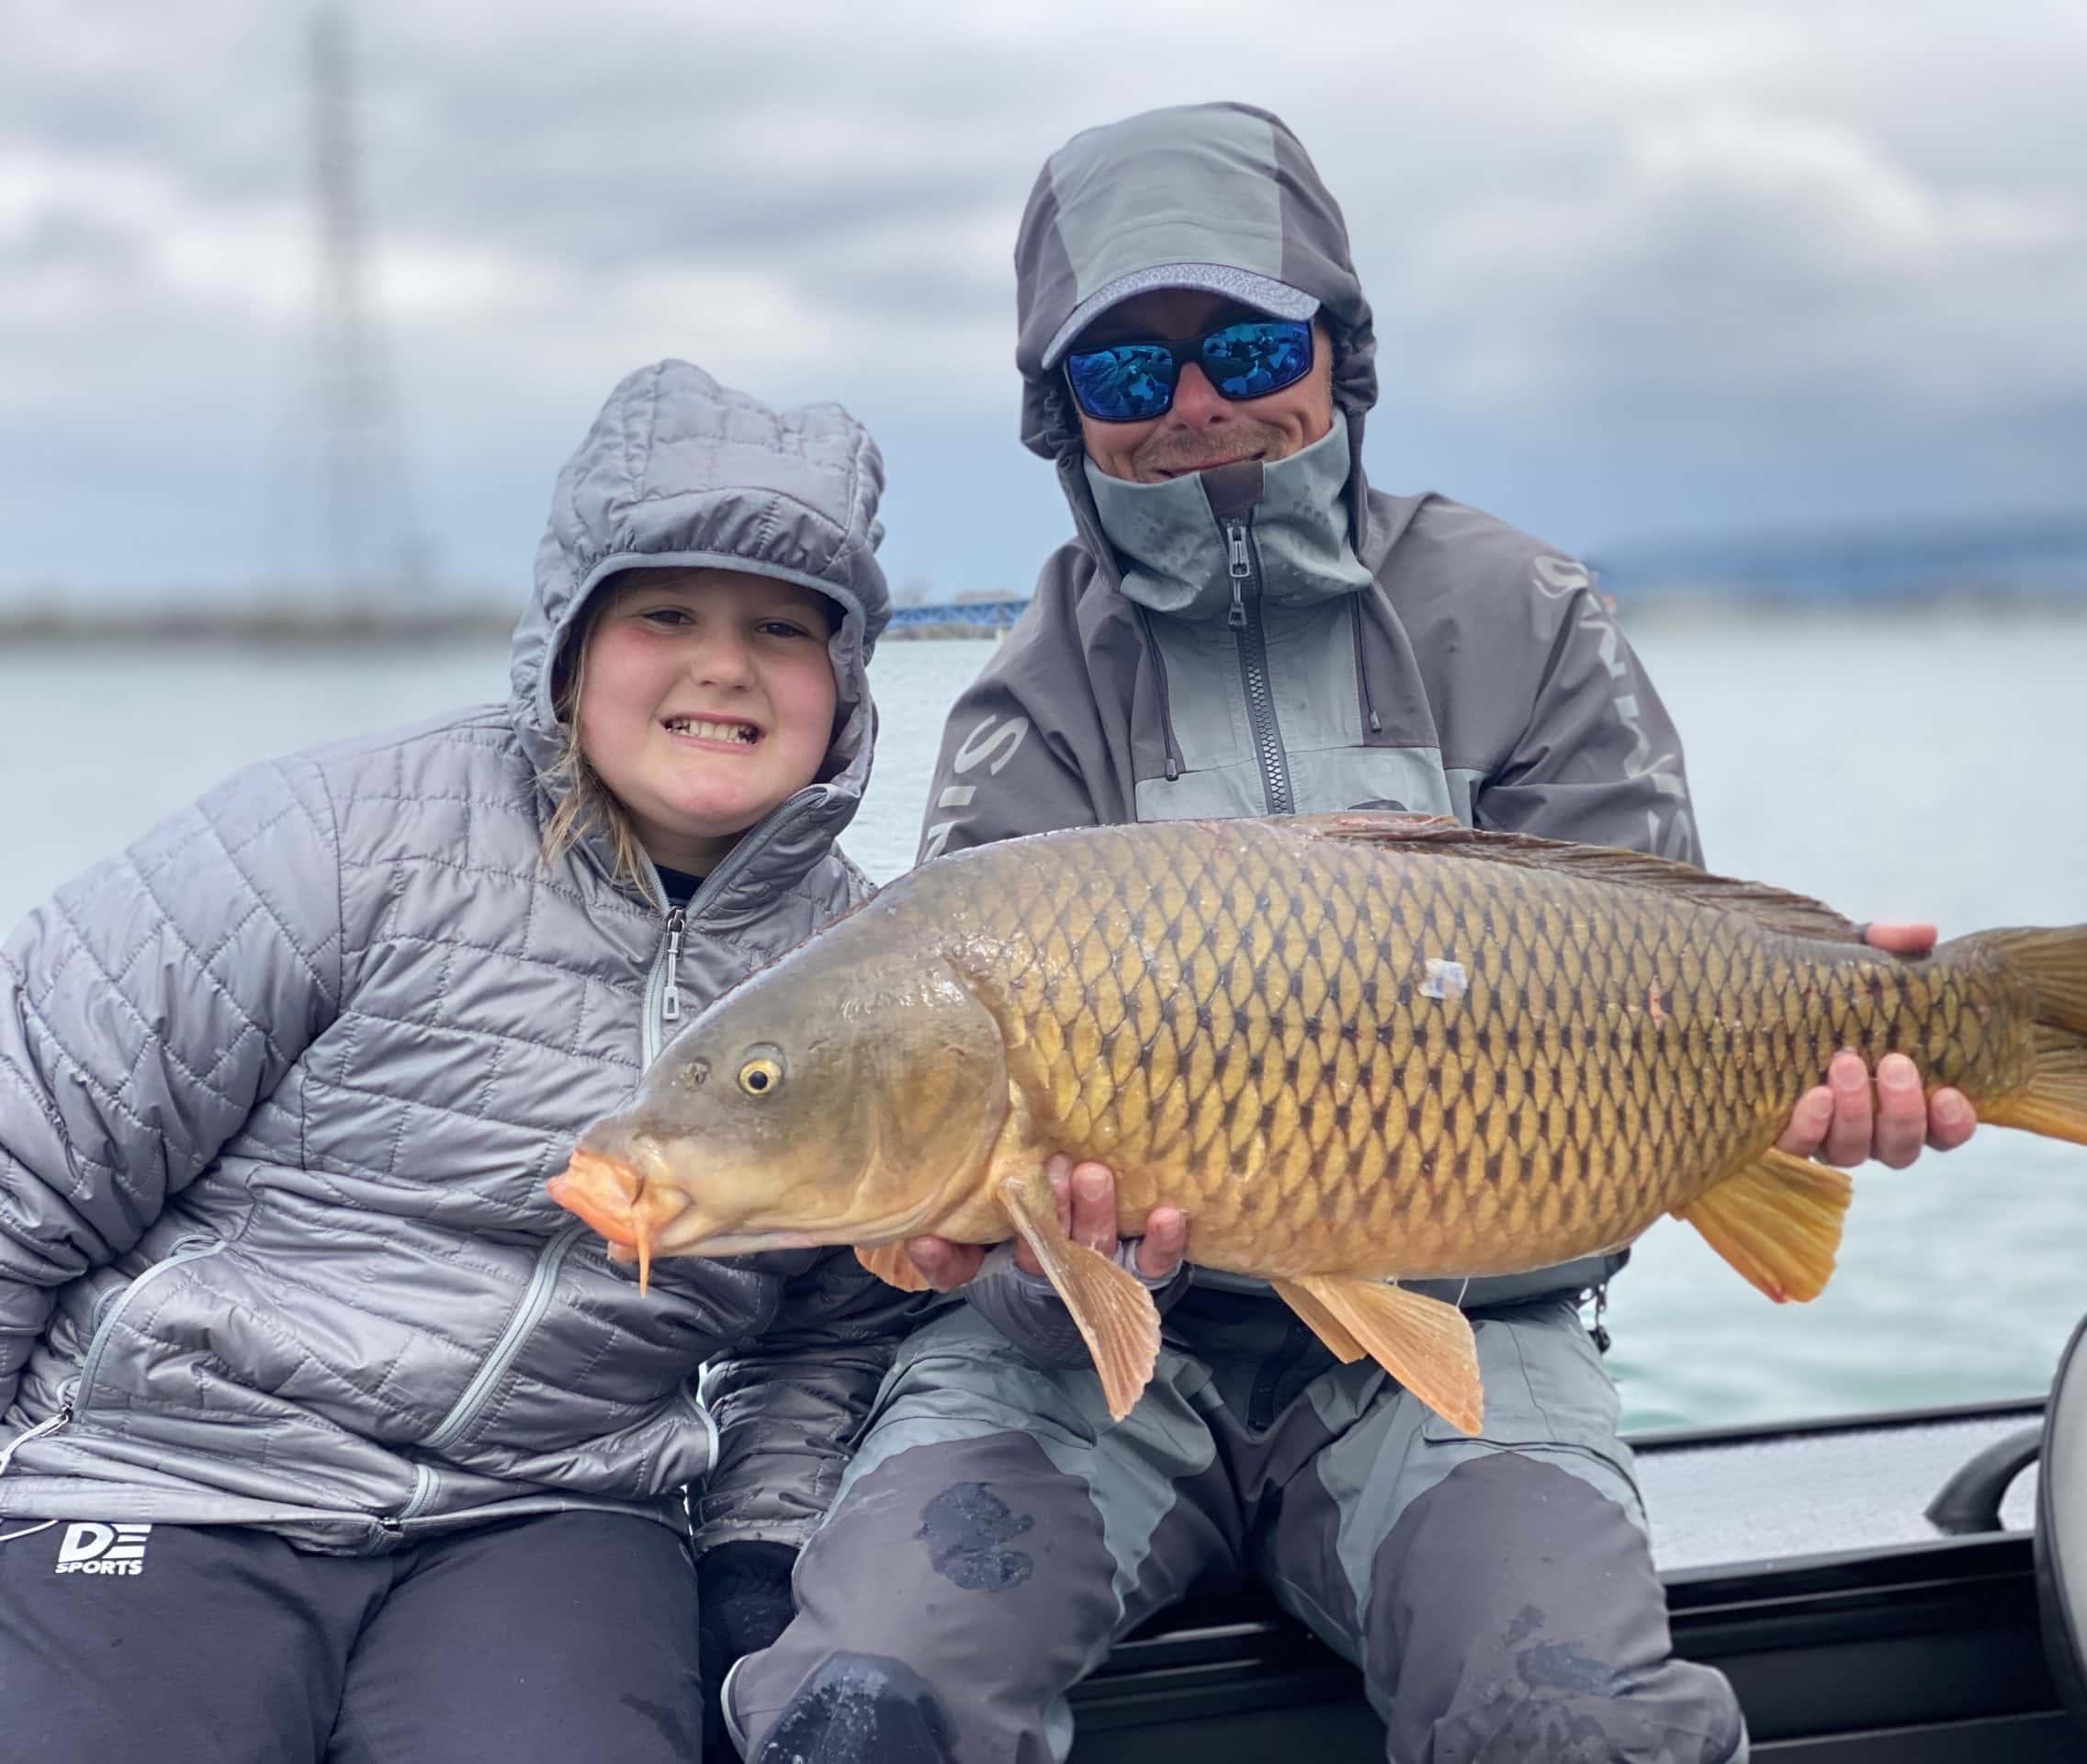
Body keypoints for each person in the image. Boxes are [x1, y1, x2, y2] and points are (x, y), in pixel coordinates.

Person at [715, 105, 1978, 1764]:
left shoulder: (1521, 615)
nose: (1198, 411)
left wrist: (1799, 1092)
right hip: (1082, 1385)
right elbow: (971, 1192)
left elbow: (1641, 1047)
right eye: (1122, 377)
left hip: (1465, 1342)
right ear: (1060, 418)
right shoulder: (1029, 695)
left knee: (1581, 1730)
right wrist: (1023, 1257)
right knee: (854, 1714)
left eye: (1245, 344)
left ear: (1338, 349)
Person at [0, 358, 914, 1764]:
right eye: (666, 610)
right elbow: (27, 1151)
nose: (723, 666)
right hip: (180, 1467)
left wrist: (758, 1546)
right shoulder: (332, 838)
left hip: (561, 1514)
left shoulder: (879, 967)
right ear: (567, 639)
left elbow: (834, 1327)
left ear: (843, 682)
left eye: (783, 631)